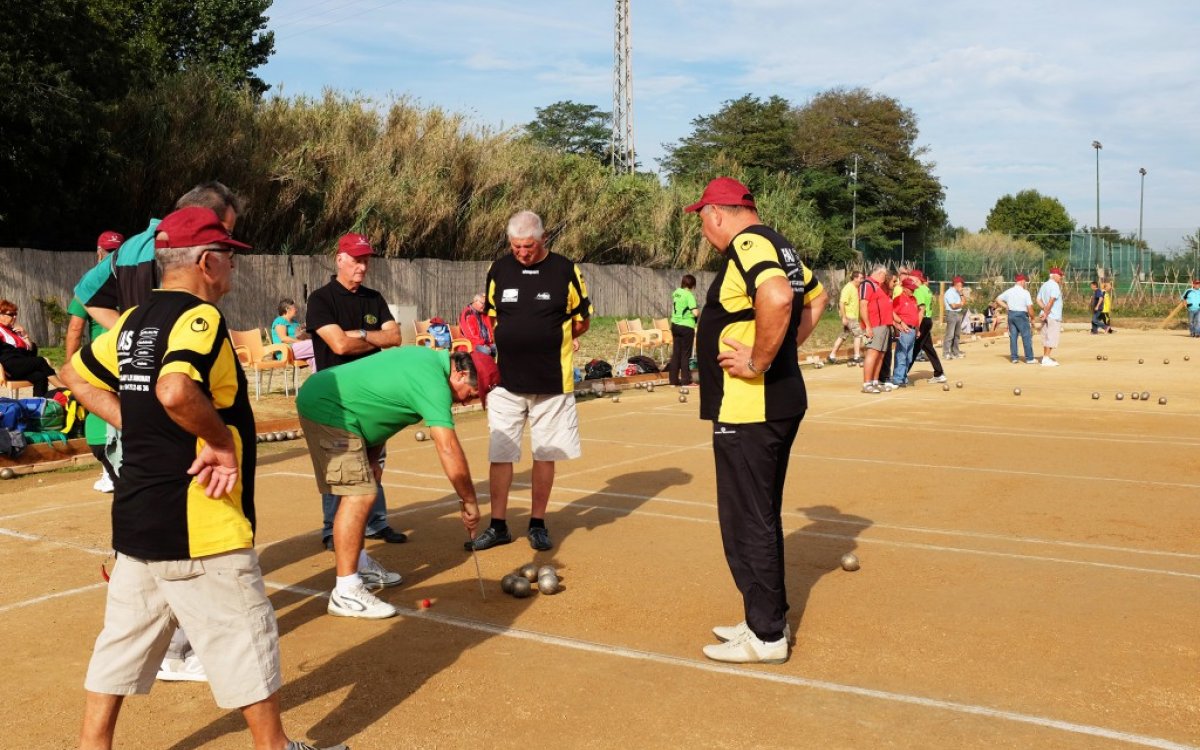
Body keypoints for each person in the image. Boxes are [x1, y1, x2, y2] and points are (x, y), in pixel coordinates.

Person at [61, 206, 345, 750]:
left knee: (121, 643)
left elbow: (74, 372)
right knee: (246, 636)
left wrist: (132, 421)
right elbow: (173, 390)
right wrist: (219, 442)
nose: (232, 275)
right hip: (200, 519)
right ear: (207, 262)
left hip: (138, 516)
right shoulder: (199, 318)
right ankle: (274, 747)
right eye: (229, 263)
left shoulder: (132, 320)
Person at [684, 177, 827, 664]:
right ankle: (763, 616)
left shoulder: (748, 243)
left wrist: (761, 361)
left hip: (751, 406)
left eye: (702, 220)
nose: (703, 231)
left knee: (748, 518)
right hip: (768, 404)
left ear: (717, 214)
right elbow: (816, 298)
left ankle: (766, 635)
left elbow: (780, 299)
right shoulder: (777, 243)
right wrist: (783, 351)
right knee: (756, 513)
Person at [296, 348, 498, 619]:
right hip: (327, 407)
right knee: (360, 494)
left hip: (344, 409)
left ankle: (360, 564)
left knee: (367, 485)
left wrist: (371, 456)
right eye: (472, 394)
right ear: (461, 373)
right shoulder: (433, 381)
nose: (465, 402)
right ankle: (345, 590)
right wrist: (469, 501)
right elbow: (448, 448)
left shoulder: (429, 365)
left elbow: (382, 404)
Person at [466, 210, 592, 553]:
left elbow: (581, 321)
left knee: (545, 453)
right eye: (516, 246)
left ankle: (537, 523)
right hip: (506, 381)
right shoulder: (499, 269)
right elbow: (493, 317)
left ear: (543, 238)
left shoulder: (566, 270)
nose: (522, 252)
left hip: (552, 380)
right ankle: (499, 526)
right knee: (501, 453)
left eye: (528, 245)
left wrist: (557, 339)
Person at [306, 233, 405, 550]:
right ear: (340, 259)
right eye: (357, 260)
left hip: (373, 395)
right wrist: (374, 337)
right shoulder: (321, 299)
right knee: (339, 464)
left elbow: (396, 338)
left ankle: (376, 523)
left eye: (366, 260)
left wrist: (360, 333)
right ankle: (331, 529)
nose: (362, 266)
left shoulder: (374, 298)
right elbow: (338, 345)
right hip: (336, 395)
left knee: (374, 461)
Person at [65, 231, 125, 493]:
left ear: (99, 252)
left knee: (101, 407)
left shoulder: (90, 282)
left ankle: (110, 471)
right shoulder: (133, 277)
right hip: (132, 349)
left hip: (102, 356)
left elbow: (75, 328)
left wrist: (71, 366)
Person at [0, 300, 63, 397]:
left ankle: (39, 405)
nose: (15, 317)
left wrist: (25, 336)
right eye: (11, 314)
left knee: (40, 376)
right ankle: (62, 387)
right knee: (40, 361)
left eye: (15, 314)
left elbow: (31, 354)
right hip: (9, 366)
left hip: (20, 364)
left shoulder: (14, 331)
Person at [858, 265, 893, 393]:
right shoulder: (867, 284)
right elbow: (863, 305)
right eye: (884, 276)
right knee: (872, 353)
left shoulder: (878, 285)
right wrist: (867, 326)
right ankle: (867, 384)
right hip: (874, 325)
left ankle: (875, 381)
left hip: (884, 325)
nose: (885, 278)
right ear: (879, 273)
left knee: (881, 354)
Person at [909, 270, 946, 383]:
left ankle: (901, 374)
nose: (910, 281)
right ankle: (939, 373)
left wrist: (917, 327)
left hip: (922, 321)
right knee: (928, 349)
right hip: (927, 320)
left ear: (917, 279)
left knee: (915, 349)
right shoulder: (926, 289)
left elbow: (921, 309)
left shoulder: (918, 291)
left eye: (911, 278)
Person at [995, 273, 1036, 364]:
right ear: (1021, 281)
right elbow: (1029, 307)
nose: (1025, 283)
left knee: (1013, 336)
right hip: (1021, 315)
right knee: (1026, 336)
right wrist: (1033, 317)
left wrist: (1006, 306)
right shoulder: (1025, 292)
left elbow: (998, 299)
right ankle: (1029, 358)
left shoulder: (1009, 291)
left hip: (1011, 314)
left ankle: (1014, 358)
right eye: (1025, 281)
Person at [667, 274, 699, 386]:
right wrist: (698, 312)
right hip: (686, 326)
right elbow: (695, 312)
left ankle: (673, 381)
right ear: (692, 285)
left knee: (676, 353)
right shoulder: (689, 295)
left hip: (675, 325)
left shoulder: (676, 292)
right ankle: (686, 380)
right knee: (685, 354)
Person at [826, 270, 864, 364]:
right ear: (855, 278)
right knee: (858, 335)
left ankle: (832, 355)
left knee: (843, 336)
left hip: (852, 316)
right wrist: (844, 317)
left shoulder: (856, 287)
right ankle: (857, 356)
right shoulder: (848, 288)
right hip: (850, 317)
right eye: (860, 278)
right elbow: (842, 303)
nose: (862, 280)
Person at [891, 276, 921, 387]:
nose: (913, 291)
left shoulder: (914, 299)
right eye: (911, 288)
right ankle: (898, 378)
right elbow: (892, 313)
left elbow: (915, 315)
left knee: (909, 356)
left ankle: (903, 376)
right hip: (905, 330)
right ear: (904, 288)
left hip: (913, 330)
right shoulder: (898, 299)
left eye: (913, 289)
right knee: (902, 355)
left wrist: (917, 329)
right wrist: (897, 326)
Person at [270, 298, 314, 369]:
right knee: (317, 346)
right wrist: (300, 342)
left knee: (316, 359)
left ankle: (318, 379)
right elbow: (284, 339)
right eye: (294, 307)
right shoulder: (280, 320)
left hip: (299, 348)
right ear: (287, 309)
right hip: (286, 350)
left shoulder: (295, 322)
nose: (296, 309)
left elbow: (300, 335)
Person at [1036, 267, 1064, 366]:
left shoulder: (1044, 285)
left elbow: (1038, 300)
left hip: (1045, 314)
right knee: (1051, 337)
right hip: (1053, 315)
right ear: (1054, 275)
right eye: (1060, 275)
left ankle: (1045, 357)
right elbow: (1051, 301)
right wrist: (1047, 312)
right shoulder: (1055, 286)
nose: (1061, 277)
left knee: (1046, 336)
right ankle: (1046, 358)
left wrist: (1044, 310)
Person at [942, 276, 966, 359]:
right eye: (961, 284)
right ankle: (946, 353)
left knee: (957, 335)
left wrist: (961, 294)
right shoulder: (949, 292)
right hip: (952, 314)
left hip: (958, 313)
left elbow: (964, 302)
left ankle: (955, 352)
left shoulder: (957, 292)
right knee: (950, 334)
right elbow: (953, 306)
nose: (962, 285)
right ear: (956, 284)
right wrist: (961, 304)